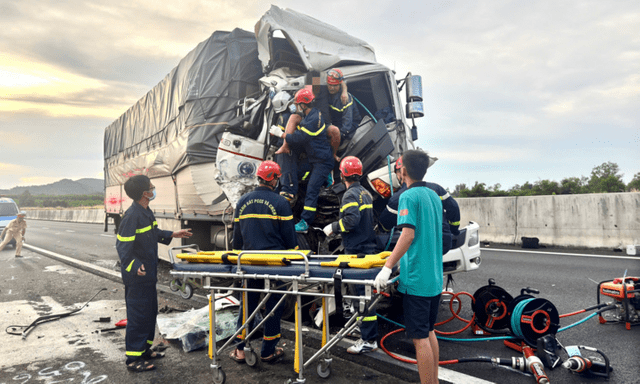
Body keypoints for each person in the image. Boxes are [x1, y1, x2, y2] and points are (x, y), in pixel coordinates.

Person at [374, 150, 443, 384]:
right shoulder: (433, 195)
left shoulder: (408, 196)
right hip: (433, 279)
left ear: (402, 170)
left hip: (417, 281)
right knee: (429, 332)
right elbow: (425, 235)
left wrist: (387, 266)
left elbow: (408, 234)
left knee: (419, 339)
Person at [116, 175, 193, 372]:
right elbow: (123, 247)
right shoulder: (131, 216)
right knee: (138, 315)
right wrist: (135, 266)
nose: (154, 188)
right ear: (145, 193)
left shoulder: (145, 211)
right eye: (151, 187)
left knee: (150, 312)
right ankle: (133, 359)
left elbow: (153, 232)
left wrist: (172, 235)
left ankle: (144, 349)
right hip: (137, 276)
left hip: (148, 273)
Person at [229, 160, 297, 364]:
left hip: (249, 263)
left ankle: (240, 351)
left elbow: (237, 240)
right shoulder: (281, 203)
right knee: (274, 306)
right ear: (274, 179)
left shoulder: (242, 202)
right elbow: (291, 241)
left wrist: (237, 265)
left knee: (247, 305)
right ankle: (268, 351)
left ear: (259, 178)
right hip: (276, 265)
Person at [322, 156, 379, 354]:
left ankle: (368, 339)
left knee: (361, 296)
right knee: (363, 295)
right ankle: (363, 331)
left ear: (342, 174)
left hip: (356, 251)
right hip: (367, 249)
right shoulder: (366, 193)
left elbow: (351, 221)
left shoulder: (349, 195)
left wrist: (333, 228)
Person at [270, 88, 335, 233]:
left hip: (322, 162)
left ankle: (305, 222)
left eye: (298, 104)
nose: (297, 106)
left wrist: (281, 134)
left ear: (304, 105)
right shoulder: (313, 114)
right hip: (315, 159)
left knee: (312, 190)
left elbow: (299, 138)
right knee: (296, 172)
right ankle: (324, 178)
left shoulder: (312, 120)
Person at [379, 156, 460, 255]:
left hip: (420, 245)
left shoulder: (398, 198)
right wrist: (453, 230)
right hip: (443, 241)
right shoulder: (437, 189)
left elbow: (385, 224)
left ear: (401, 173)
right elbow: (454, 207)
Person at [326, 68, 362, 144]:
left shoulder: (345, 99)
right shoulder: (326, 92)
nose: (332, 88)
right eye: (330, 85)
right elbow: (313, 77)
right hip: (336, 122)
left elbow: (347, 125)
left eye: (335, 85)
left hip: (350, 127)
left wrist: (337, 137)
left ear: (339, 84)